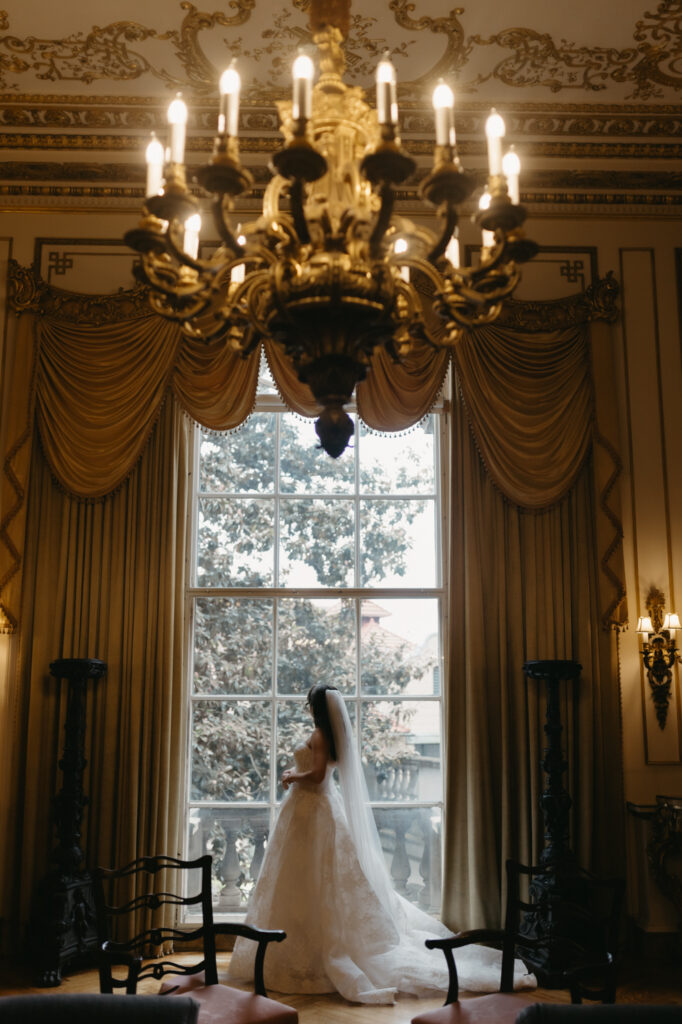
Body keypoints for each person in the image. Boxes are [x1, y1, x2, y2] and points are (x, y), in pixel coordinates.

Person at [228, 682, 535, 1004]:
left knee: (309, 879)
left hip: (312, 809)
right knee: (311, 879)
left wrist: (293, 777)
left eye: (309, 704)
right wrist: (298, 772)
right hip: (314, 811)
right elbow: (321, 770)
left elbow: (318, 776)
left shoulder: (319, 735)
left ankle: (304, 957)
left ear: (315, 707)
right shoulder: (331, 737)